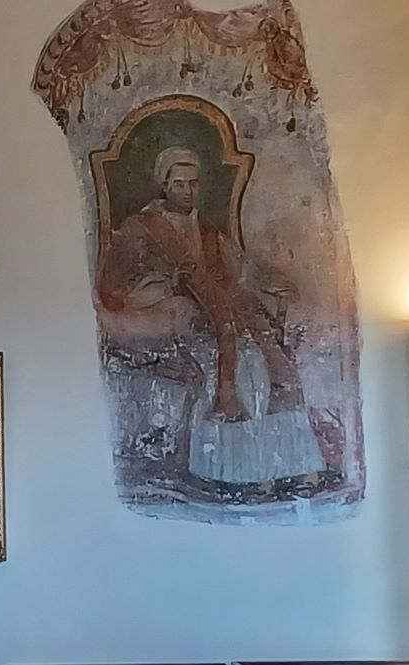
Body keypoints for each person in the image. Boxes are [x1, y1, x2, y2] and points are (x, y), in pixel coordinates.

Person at [97, 145, 327, 483]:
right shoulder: (141, 228)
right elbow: (115, 284)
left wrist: (270, 283)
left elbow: (240, 271)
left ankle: (286, 467)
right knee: (245, 369)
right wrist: (165, 284)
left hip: (220, 317)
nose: (187, 191)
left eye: (193, 183)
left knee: (275, 367)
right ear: (164, 185)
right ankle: (234, 473)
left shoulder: (205, 229)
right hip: (172, 320)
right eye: (179, 184)